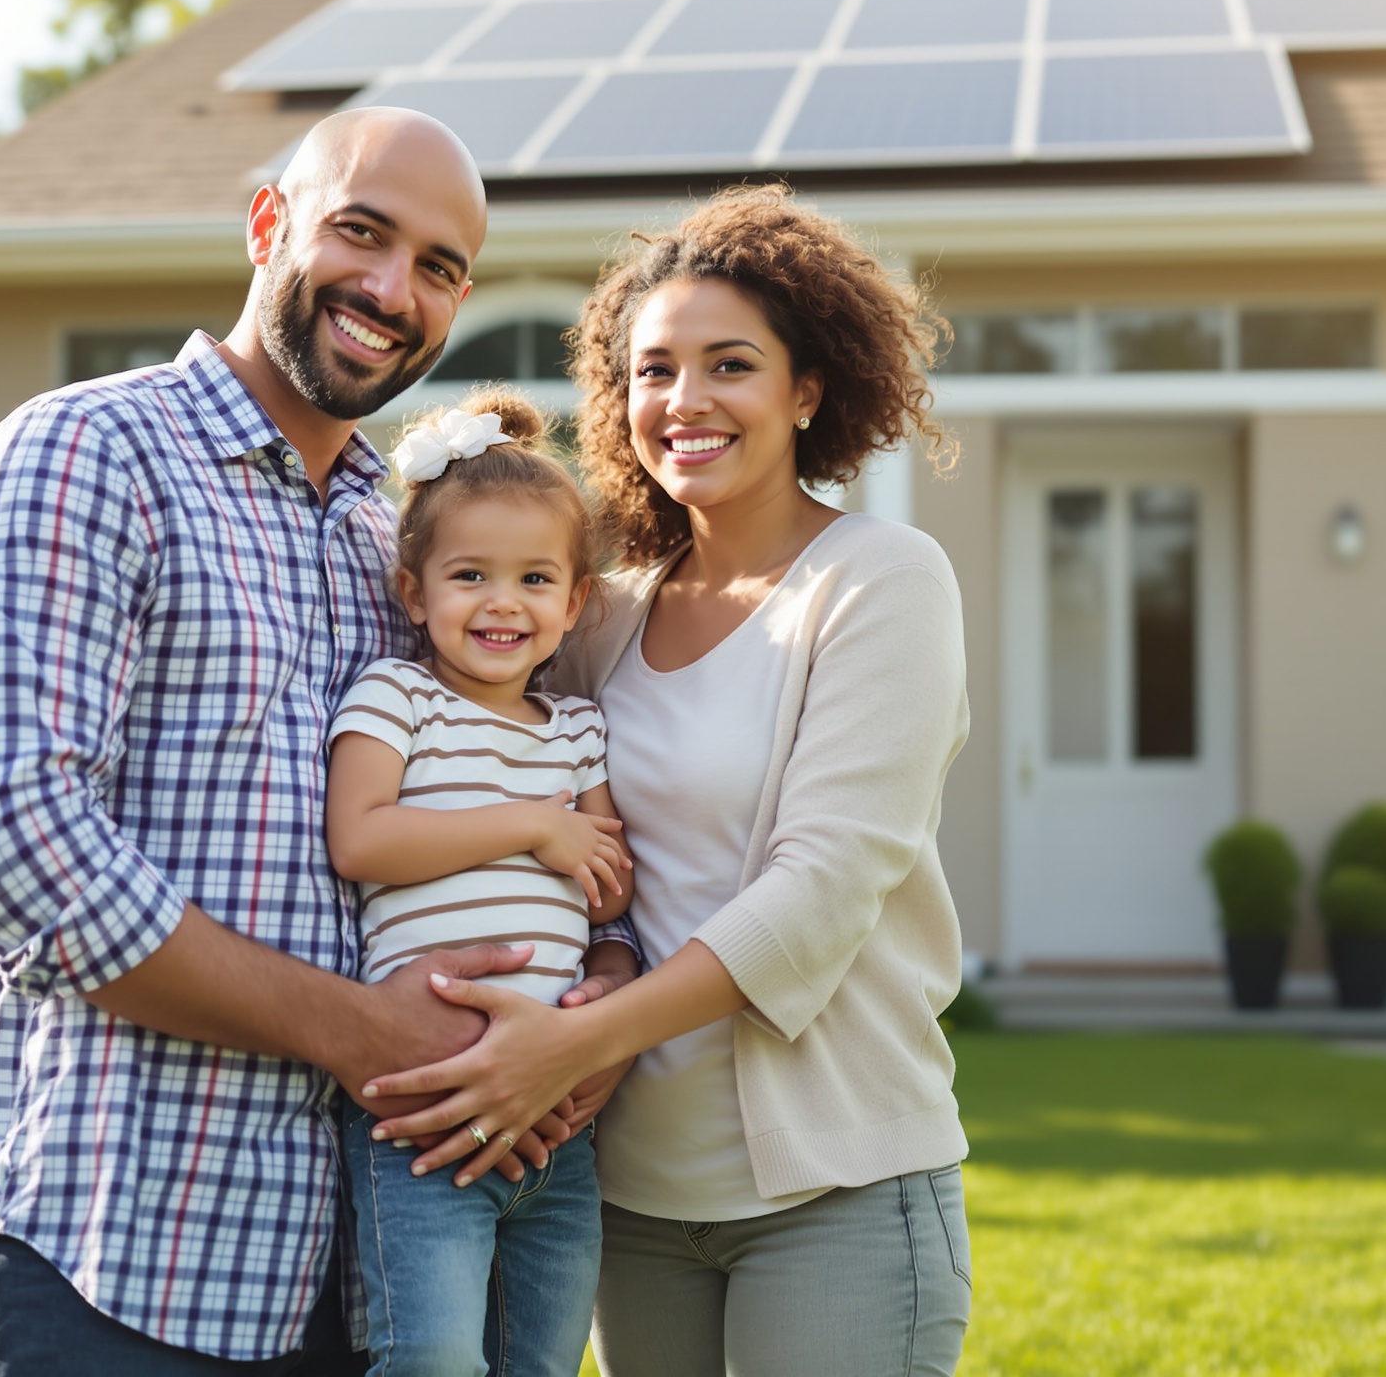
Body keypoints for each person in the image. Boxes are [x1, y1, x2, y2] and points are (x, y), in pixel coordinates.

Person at [0, 108, 565, 1376]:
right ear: (269, 224)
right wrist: (358, 1030)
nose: (391, 289)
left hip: (369, 1261)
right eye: (360, 232)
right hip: (114, 1249)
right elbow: (1, 840)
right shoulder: (87, 453)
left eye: (438, 265)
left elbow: (517, 757)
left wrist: (569, 1020)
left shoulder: (408, 537)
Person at [358, 184, 975, 1377]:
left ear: (808, 389)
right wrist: (572, 993)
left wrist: (565, 1048)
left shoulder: (881, 579)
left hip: (832, 1184)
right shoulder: (595, 613)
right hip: (626, 1195)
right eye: (651, 370)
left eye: (729, 363)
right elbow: (580, 856)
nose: (683, 401)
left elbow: (825, 887)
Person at [325, 387, 634, 1377]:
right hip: (427, 1114)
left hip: (556, 1127)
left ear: (575, 602)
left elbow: (610, 887)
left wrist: (602, 930)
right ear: (415, 592)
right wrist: (535, 824)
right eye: (470, 575)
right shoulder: (398, 693)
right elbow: (361, 838)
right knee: (432, 1358)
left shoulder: (579, 728)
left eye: (536, 577)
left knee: (539, 1362)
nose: (504, 602)